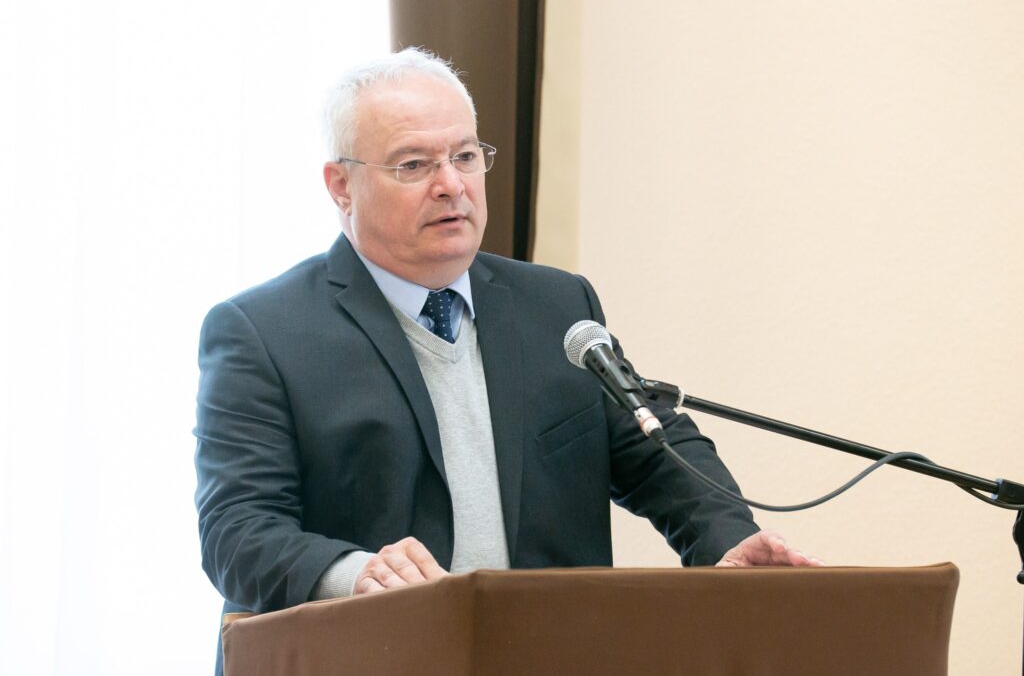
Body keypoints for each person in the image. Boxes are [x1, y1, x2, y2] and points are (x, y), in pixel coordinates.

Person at [194, 47, 820, 672]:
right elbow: (237, 530)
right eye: (414, 165)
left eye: (465, 156)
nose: (451, 184)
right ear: (341, 186)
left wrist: (730, 542)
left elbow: (656, 449)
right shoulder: (263, 332)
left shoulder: (557, 306)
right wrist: (355, 574)